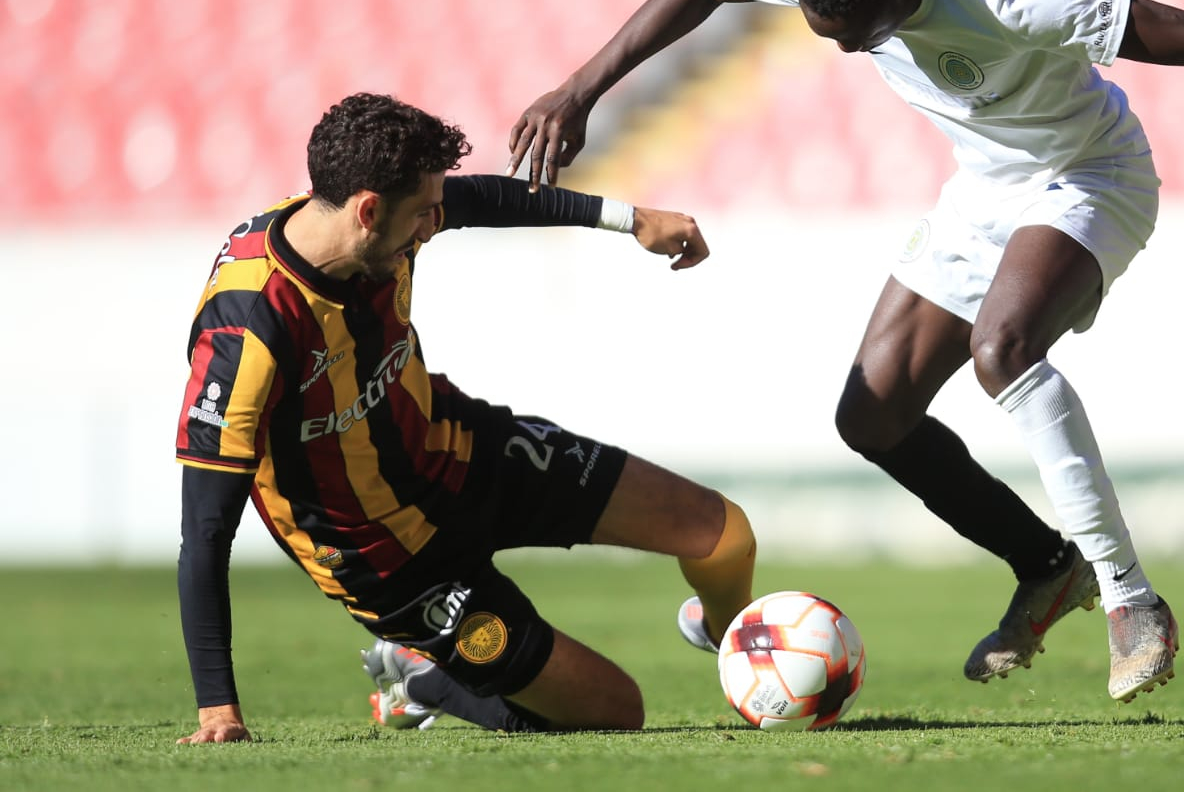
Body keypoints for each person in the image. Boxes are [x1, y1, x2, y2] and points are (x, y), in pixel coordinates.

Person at [505, 0, 1184, 703]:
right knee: (872, 413)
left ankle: (1129, 598)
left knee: (1003, 348)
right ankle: (1044, 565)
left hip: (1087, 176)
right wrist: (582, 86)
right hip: (983, 191)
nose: (853, 55)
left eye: (861, 38)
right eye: (832, 40)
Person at [176, 92, 758, 742]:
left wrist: (630, 218)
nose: (434, 225)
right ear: (369, 211)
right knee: (618, 710)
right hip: (390, 561)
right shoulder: (247, 326)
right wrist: (218, 710)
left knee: (722, 531)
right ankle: (425, 677)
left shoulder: (372, 220)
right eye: (424, 215)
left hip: (463, 449)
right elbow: (205, 528)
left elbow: (485, 198)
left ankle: (747, 657)